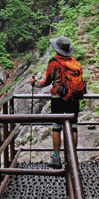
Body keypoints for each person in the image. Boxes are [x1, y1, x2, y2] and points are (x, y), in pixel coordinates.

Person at [30, 35, 85, 169]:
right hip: (74, 97)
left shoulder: (53, 61)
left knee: (56, 127)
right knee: (74, 126)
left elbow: (46, 81)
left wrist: (34, 83)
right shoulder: (74, 62)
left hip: (58, 99)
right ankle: (72, 157)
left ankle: (56, 158)